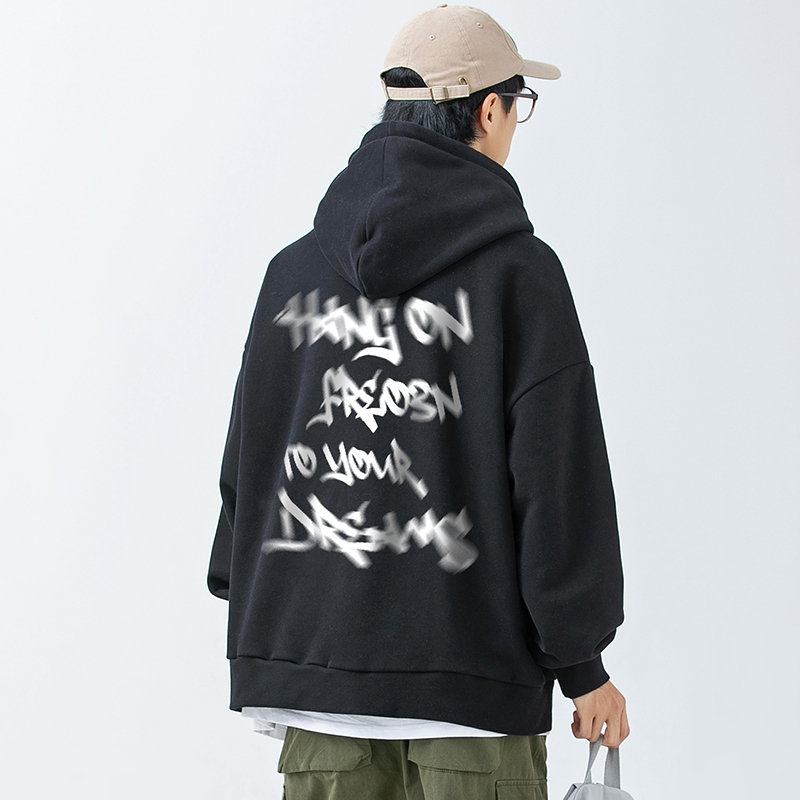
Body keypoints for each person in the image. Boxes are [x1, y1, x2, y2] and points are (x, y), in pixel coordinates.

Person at [206, 4, 630, 798]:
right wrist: (583, 666)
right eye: (518, 105)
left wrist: (251, 593)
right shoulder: (520, 275)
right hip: (471, 702)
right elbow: (556, 484)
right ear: (490, 109)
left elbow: (252, 457)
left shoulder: (291, 274)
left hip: (319, 692)